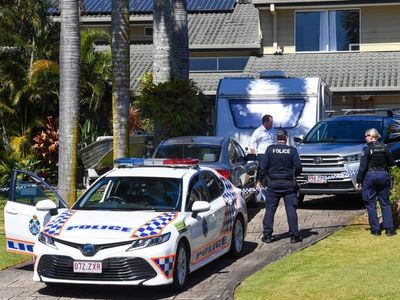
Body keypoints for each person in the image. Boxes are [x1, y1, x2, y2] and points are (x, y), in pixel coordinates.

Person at [258, 129, 303, 243]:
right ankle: (294, 236)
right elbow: (298, 167)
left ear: (277, 138)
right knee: (291, 209)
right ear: (286, 138)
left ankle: (267, 236)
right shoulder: (292, 150)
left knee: (270, 210)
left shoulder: (270, 150)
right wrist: (294, 176)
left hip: (273, 184)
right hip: (288, 184)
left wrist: (260, 180)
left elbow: (262, 167)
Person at [355, 128, 396, 236]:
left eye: (366, 136)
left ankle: (376, 230)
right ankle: (390, 229)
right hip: (383, 175)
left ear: (372, 136)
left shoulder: (367, 149)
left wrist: (358, 181)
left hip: (370, 176)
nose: (365, 138)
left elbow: (363, 167)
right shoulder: (385, 148)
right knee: (385, 203)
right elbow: (391, 163)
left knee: (370, 203)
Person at [249, 114, 276, 182]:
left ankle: (270, 184)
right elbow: (252, 142)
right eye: (271, 122)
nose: (272, 124)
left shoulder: (272, 130)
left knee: (272, 170)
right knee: (263, 171)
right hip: (262, 154)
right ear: (265, 122)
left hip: (272, 154)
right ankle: (262, 184)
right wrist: (254, 154)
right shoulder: (258, 131)